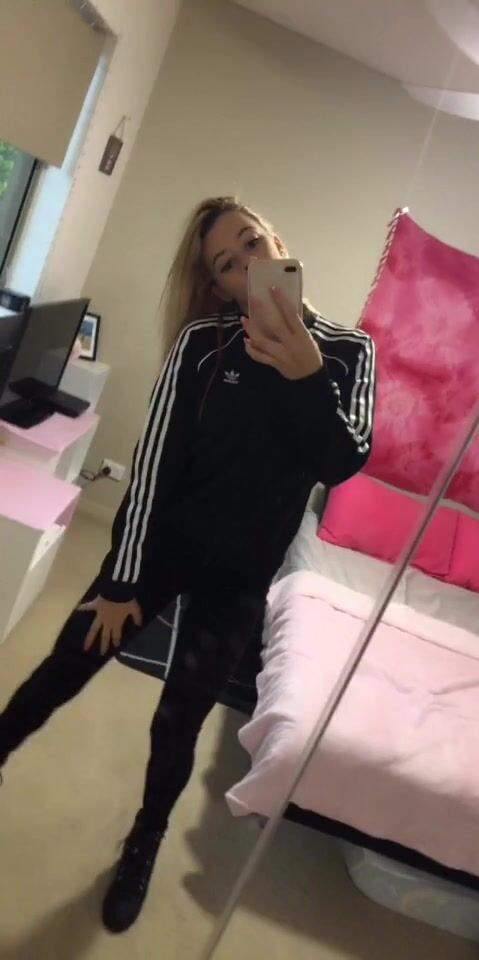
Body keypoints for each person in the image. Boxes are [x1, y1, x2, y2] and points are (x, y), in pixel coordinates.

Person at [0, 197, 376, 933]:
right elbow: (154, 466)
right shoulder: (204, 343)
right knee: (66, 663)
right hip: (161, 548)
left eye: (251, 243)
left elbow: (342, 459)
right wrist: (120, 584)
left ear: (276, 239)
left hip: (240, 580)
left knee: (179, 722)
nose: (245, 265)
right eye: (226, 264)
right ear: (218, 283)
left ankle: (143, 843)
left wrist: (306, 371)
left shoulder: (348, 350)